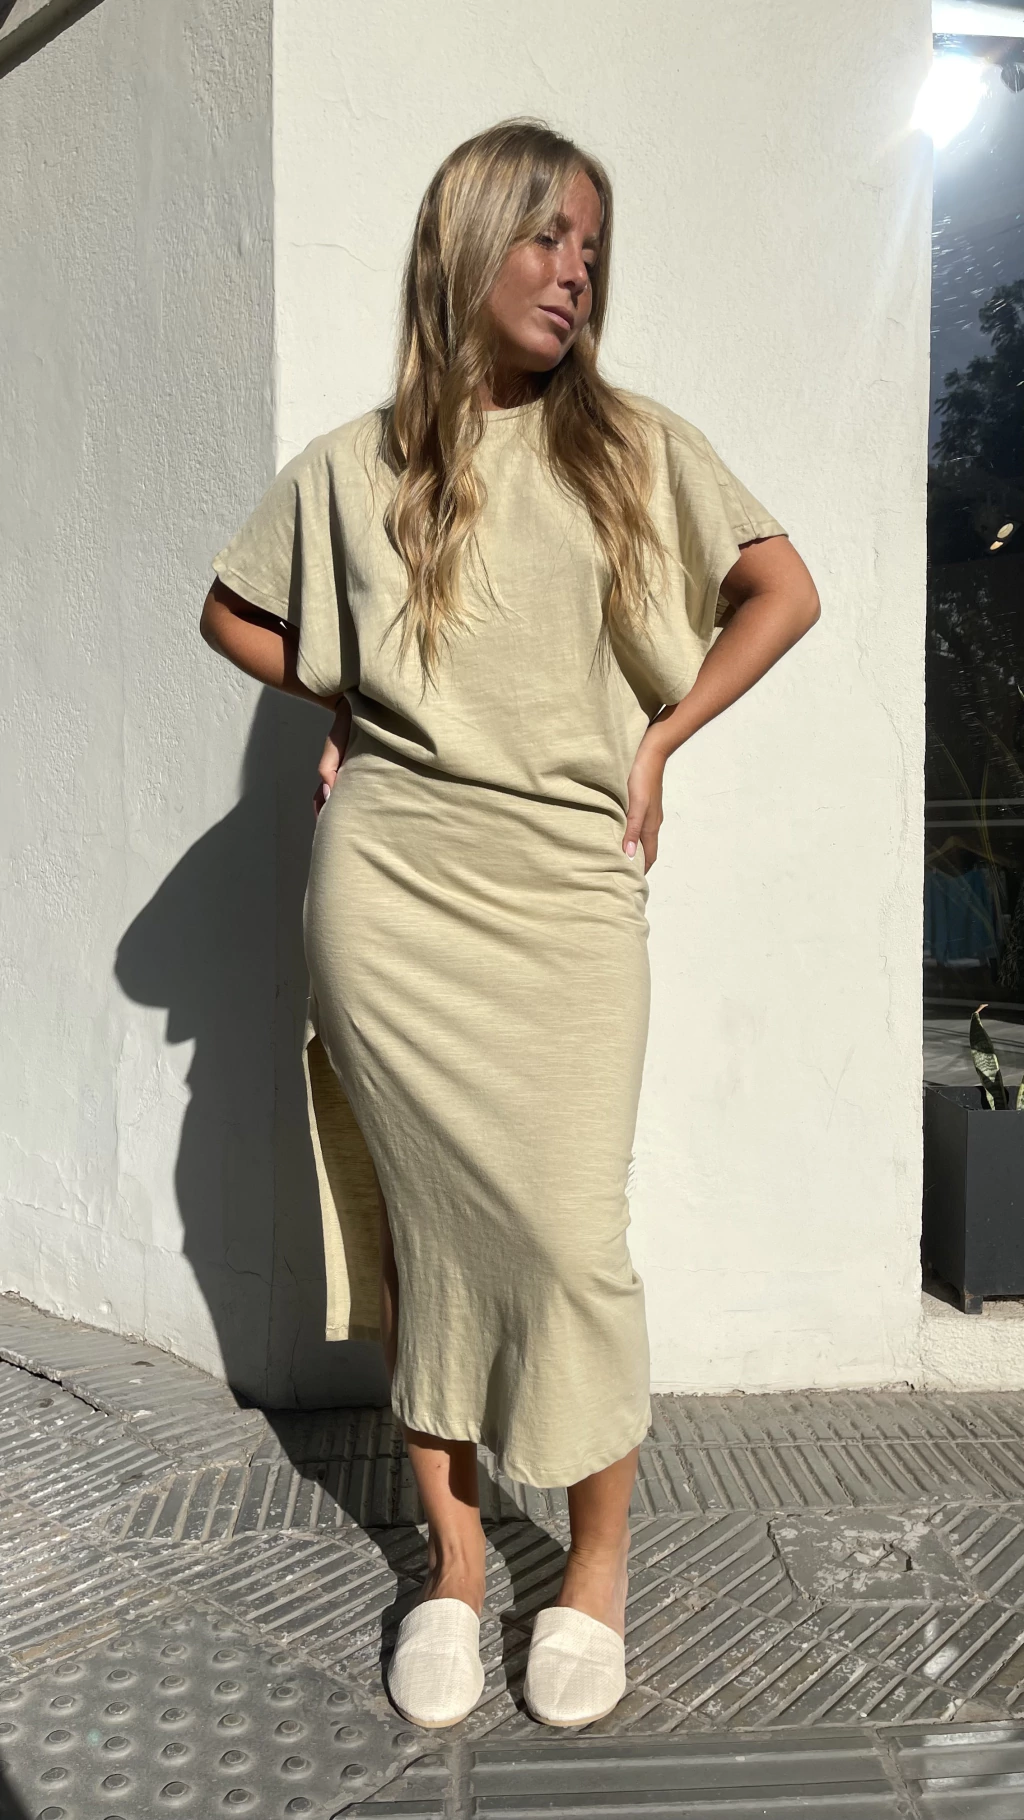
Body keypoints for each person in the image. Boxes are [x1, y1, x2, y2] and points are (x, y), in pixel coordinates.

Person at [200, 117, 820, 1732]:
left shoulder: (634, 448)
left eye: (592, 247)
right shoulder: (355, 468)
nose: (575, 271)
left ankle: (596, 1571)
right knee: (422, 1243)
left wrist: (660, 742)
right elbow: (229, 612)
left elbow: (785, 592)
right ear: (467, 245)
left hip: (564, 891)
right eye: (547, 236)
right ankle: (460, 1566)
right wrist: (349, 696)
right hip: (392, 893)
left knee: (568, 1243)